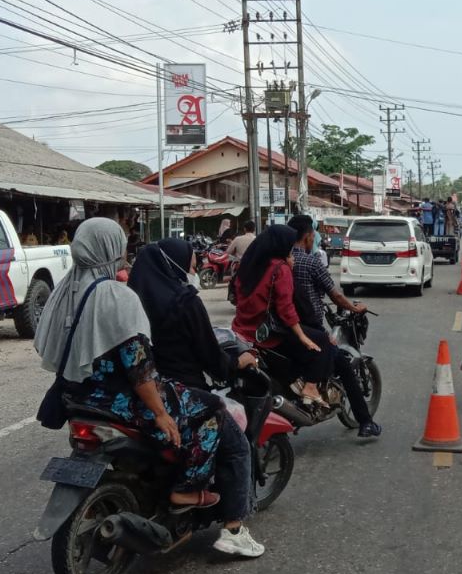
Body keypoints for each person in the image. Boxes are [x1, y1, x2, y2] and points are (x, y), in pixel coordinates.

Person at [34, 219, 264, 557]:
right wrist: (160, 413)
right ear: (111, 248)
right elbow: (138, 365)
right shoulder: (117, 295)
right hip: (121, 400)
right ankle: (187, 490)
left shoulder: (64, 291)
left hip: (77, 396)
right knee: (212, 409)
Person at [125, 237, 265, 556]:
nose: (196, 268)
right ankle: (233, 529)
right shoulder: (184, 300)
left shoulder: (130, 299)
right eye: (192, 262)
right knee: (237, 448)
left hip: (138, 393)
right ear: (174, 264)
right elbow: (210, 357)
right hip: (183, 393)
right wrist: (237, 362)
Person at [285, 215, 382, 437]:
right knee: (344, 366)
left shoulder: (280, 261)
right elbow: (336, 295)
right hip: (308, 329)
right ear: (308, 236)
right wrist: (354, 308)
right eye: (313, 235)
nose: (315, 238)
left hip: (282, 330)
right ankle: (365, 422)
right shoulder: (311, 262)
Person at [231, 226, 330, 406]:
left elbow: (236, 298)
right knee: (322, 339)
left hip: (242, 330)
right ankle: (311, 387)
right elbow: (286, 309)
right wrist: (302, 336)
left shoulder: (247, 266)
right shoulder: (280, 268)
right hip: (269, 335)